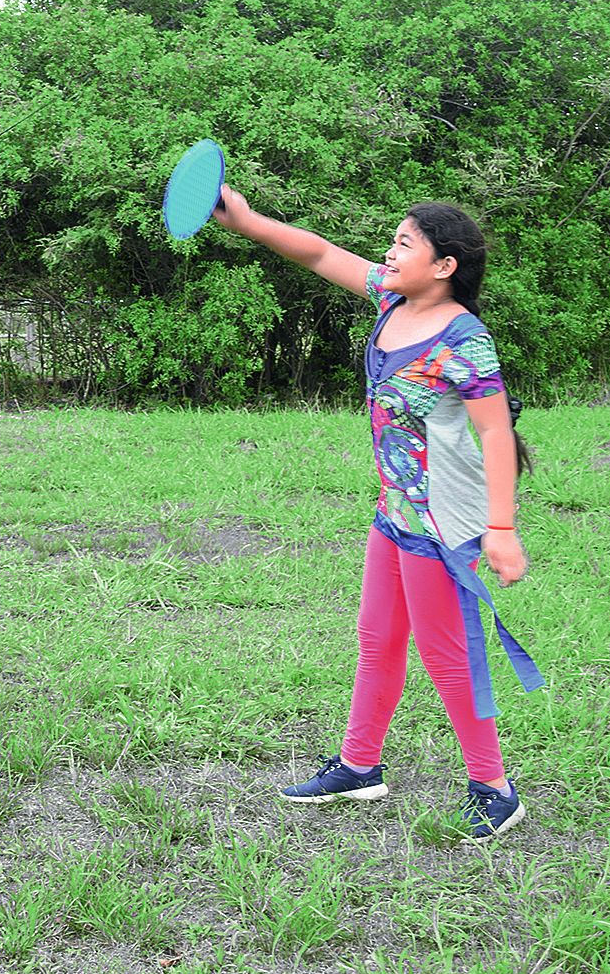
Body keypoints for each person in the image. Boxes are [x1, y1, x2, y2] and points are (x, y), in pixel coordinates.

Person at [213, 190, 542, 843]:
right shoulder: (392, 301)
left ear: (444, 266)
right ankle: (359, 766)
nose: (389, 254)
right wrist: (248, 222)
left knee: (449, 658)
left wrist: (500, 529)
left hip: (438, 526)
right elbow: (318, 251)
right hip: (393, 514)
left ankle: (495, 789)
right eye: (392, 242)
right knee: (378, 640)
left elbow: (497, 434)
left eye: (404, 245)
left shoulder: (463, 340)